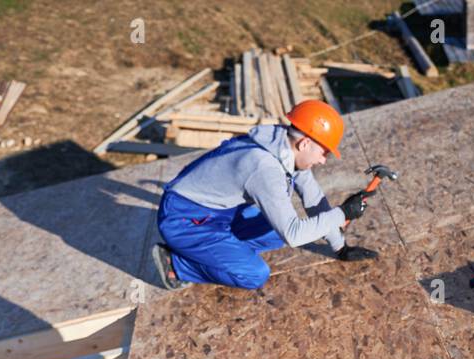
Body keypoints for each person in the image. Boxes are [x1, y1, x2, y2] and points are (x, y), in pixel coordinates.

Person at [151, 100, 376, 291]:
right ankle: (176, 264)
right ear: (305, 143)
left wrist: (340, 247)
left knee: (274, 232)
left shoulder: (283, 143)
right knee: (254, 275)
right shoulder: (264, 168)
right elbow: (294, 234)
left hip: (216, 212)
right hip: (185, 219)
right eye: (324, 152)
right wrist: (343, 213)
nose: (323, 160)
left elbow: (313, 198)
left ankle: (218, 251)